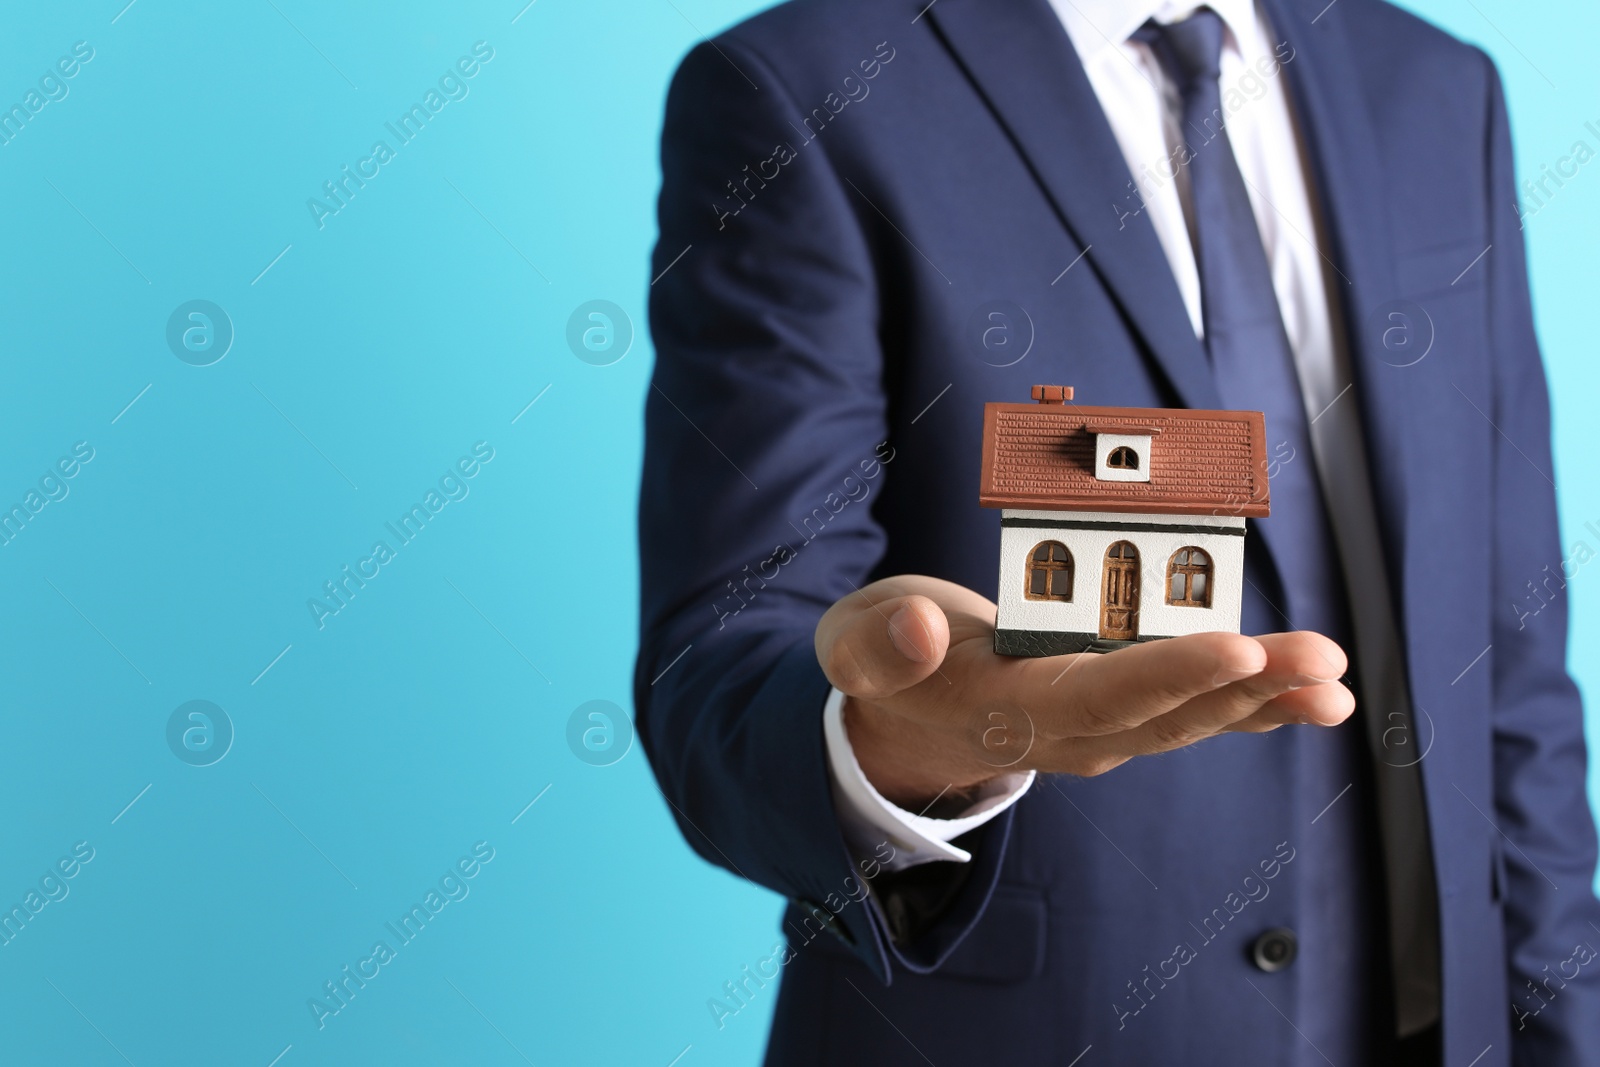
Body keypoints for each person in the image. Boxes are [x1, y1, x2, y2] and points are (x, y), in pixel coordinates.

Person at [636, 0, 1600, 1063]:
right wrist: (907, 746)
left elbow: (1511, 664)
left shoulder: (1436, 86)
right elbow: (718, 679)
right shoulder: (801, 85)